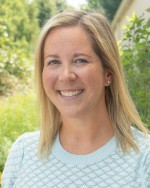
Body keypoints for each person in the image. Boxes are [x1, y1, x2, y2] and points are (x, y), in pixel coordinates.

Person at [2, 10, 150, 188]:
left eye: (80, 60)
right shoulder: (23, 152)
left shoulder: (144, 159)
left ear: (108, 73)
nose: (65, 76)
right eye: (53, 62)